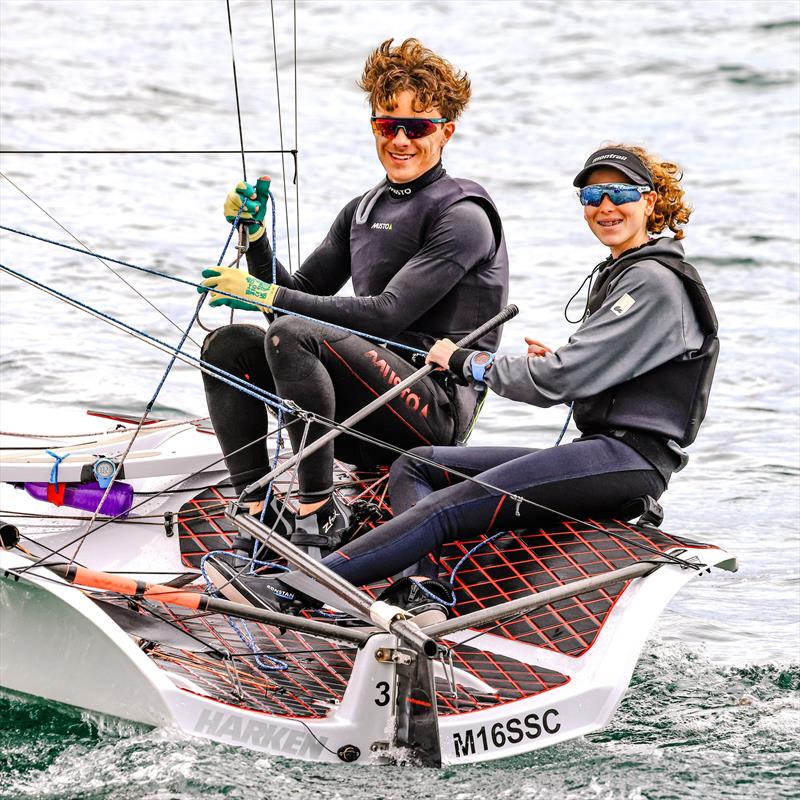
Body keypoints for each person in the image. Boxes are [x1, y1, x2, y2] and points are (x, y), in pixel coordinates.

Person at [208, 144, 719, 621]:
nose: (605, 206)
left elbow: (553, 383)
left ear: (650, 202)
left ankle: (297, 589)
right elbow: (597, 371)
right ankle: (422, 588)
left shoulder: (652, 279)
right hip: (604, 449)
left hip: (630, 462)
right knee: (416, 466)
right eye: (592, 196)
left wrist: (465, 362)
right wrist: (256, 241)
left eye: (622, 194)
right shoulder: (628, 273)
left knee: (449, 508)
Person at [199, 38, 509, 558]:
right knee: (227, 345)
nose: (401, 140)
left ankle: (316, 514)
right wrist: (256, 239)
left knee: (291, 333)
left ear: (446, 132)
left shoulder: (464, 215)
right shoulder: (362, 209)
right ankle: (258, 512)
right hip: (356, 416)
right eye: (388, 126)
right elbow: (293, 298)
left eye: (418, 127)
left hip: (427, 414)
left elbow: (389, 315)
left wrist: (263, 292)